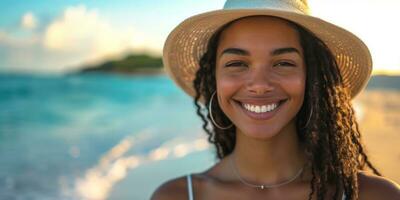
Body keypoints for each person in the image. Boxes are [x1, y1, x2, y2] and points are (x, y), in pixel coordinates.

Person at [152, 0, 400, 199]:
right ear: (213, 78)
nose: (260, 85)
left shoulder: (374, 195)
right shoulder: (178, 196)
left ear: (311, 77)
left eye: (283, 63)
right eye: (237, 63)